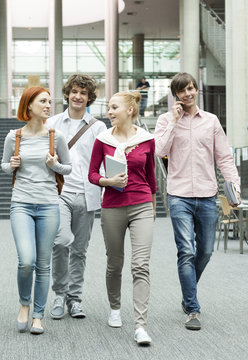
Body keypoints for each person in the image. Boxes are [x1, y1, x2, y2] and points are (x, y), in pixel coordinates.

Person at [154, 72, 240, 331]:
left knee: (205, 251)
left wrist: (234, 186)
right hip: (179, 194)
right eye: (182, 90)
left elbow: (224, 157)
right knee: (186, 251)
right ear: (176, 95)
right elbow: (159, 151)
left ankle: (187, 291)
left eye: (191, 88)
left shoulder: (211, 121)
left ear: (195, 90)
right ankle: (192, 307)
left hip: (207, 195)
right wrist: (173, 120)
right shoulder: (165, 120)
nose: (188, 93)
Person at [1, 86, 72, 335]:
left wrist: (55, 165)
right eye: (43, 101)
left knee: (43, 264)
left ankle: (38, 315)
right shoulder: (14, 136)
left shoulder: (56, 136)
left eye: (49, 101)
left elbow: (69, 168)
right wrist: (10, 165)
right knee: (26, 261)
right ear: (28, 105)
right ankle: (24, 304)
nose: (48, 105)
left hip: (49, 205)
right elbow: (3, 166)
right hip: (20, 203)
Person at [88, 91, 156, 346]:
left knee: (140, 265)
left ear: (129, 109)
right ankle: (115, 308)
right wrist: (107, 181)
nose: (109, 111)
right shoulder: (102, 139)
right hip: (112, 205)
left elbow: (151, 179)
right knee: (115, 263)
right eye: (108, 107)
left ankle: (140, 326)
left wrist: (153, 207)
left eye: (114, 107)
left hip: (141, 205)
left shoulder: (147, 140)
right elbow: (92, 174)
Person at [47, 74, 107, 320]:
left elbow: (103, 161)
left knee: (80, 250)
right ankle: (59, 294)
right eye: (74, 91)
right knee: (61, 244)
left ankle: (74, 298)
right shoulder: (52, 123)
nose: (78, 96)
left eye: (83, 93)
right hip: (59, 191)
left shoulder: (98, 127)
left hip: (87, 193)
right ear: (67, 94)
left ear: (89, 98)